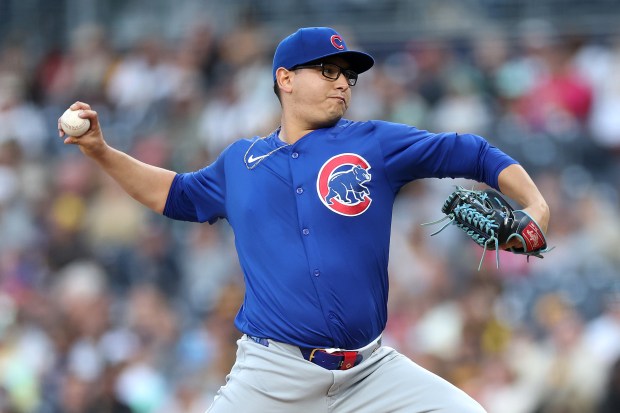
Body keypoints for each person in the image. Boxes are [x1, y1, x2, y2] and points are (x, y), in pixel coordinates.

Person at [59, 27, 550, 413]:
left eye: (348, 74)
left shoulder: (373, 143)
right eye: (328, 70)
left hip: (371, 372)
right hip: (273, 375)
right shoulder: (240, 161)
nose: (342, 81)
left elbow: (472, 151)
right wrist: (101, 151)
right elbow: (173, 194)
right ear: (285, 79)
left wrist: (535, 204)